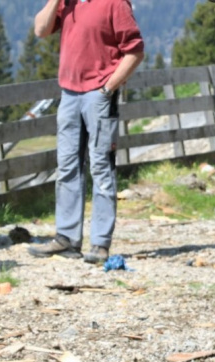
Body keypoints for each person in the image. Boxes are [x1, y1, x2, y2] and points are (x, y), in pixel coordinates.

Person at [29, 0, 144, 263]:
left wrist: (108, 89)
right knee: (67, 166)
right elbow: (40, 30)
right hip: (69, 94)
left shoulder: (115, 3)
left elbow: (135, 51)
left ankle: (100, 245)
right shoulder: (67, 3)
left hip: (98, 95)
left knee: (101, 166)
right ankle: (67, 240)